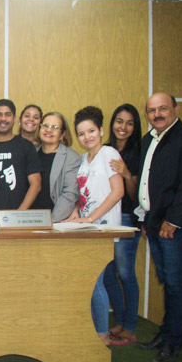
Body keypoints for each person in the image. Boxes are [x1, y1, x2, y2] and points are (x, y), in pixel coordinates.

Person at [136, 93, 182, 362]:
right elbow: (146, 183)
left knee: (177, 283)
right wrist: (145, 219)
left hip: (173, 227)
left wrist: (173, 221)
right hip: (154, 224)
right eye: (152, 110)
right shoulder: (149, 140)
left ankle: (175, 342)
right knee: (166, 280)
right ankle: (166, 333)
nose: (157, 114)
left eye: (163, 108)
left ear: (176, 109)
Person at [65, 106, 124, 346]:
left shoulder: (109, 153)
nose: (87, 137)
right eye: (81, 133)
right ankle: (93, 330)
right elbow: (81, 194)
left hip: (103, 227)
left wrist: (91, 219)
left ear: (100, 130)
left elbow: (117, 192)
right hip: (85, 228)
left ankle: (101, 335)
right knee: (88, 280)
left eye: (91, 131)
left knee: (95, 281)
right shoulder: (81, 160)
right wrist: (76, 214)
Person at [103, 104, 143, 345]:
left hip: (126, 219)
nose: (123, 127)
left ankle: (130, 326)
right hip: (105, 219)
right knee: (108, 273)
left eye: (129, 123)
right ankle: (119, 320)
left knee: (126, 274)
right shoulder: (104, 150)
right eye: (119, 121)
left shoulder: (138, 153)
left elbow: (133, 196)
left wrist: (127, 174)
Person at [33, 111, 80, 221]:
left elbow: (70, 193)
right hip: (28, 219)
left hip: (56, 220)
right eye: (45, 125)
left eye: (55, 127)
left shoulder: (71, 157)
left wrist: (51, 221)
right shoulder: (31, 152)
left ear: (62, 134)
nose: (49, 130)